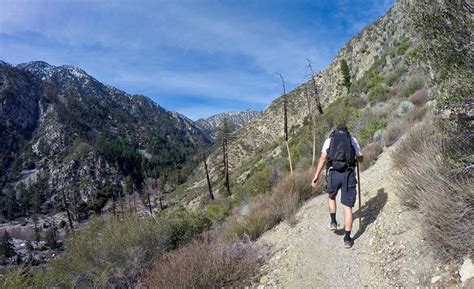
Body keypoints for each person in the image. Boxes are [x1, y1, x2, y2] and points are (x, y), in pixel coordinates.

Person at [311, 124, 363, 248]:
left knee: (331, 197)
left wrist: (316, 176)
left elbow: (323, 158)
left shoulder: (329, 140)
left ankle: (333, 221)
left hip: (334, 173)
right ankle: (347, 239)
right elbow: (360, 158)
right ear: (346, 131)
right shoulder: (352, 139)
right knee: (347, 207)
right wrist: (357, 159)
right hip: (349, 173)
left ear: (335, 131)